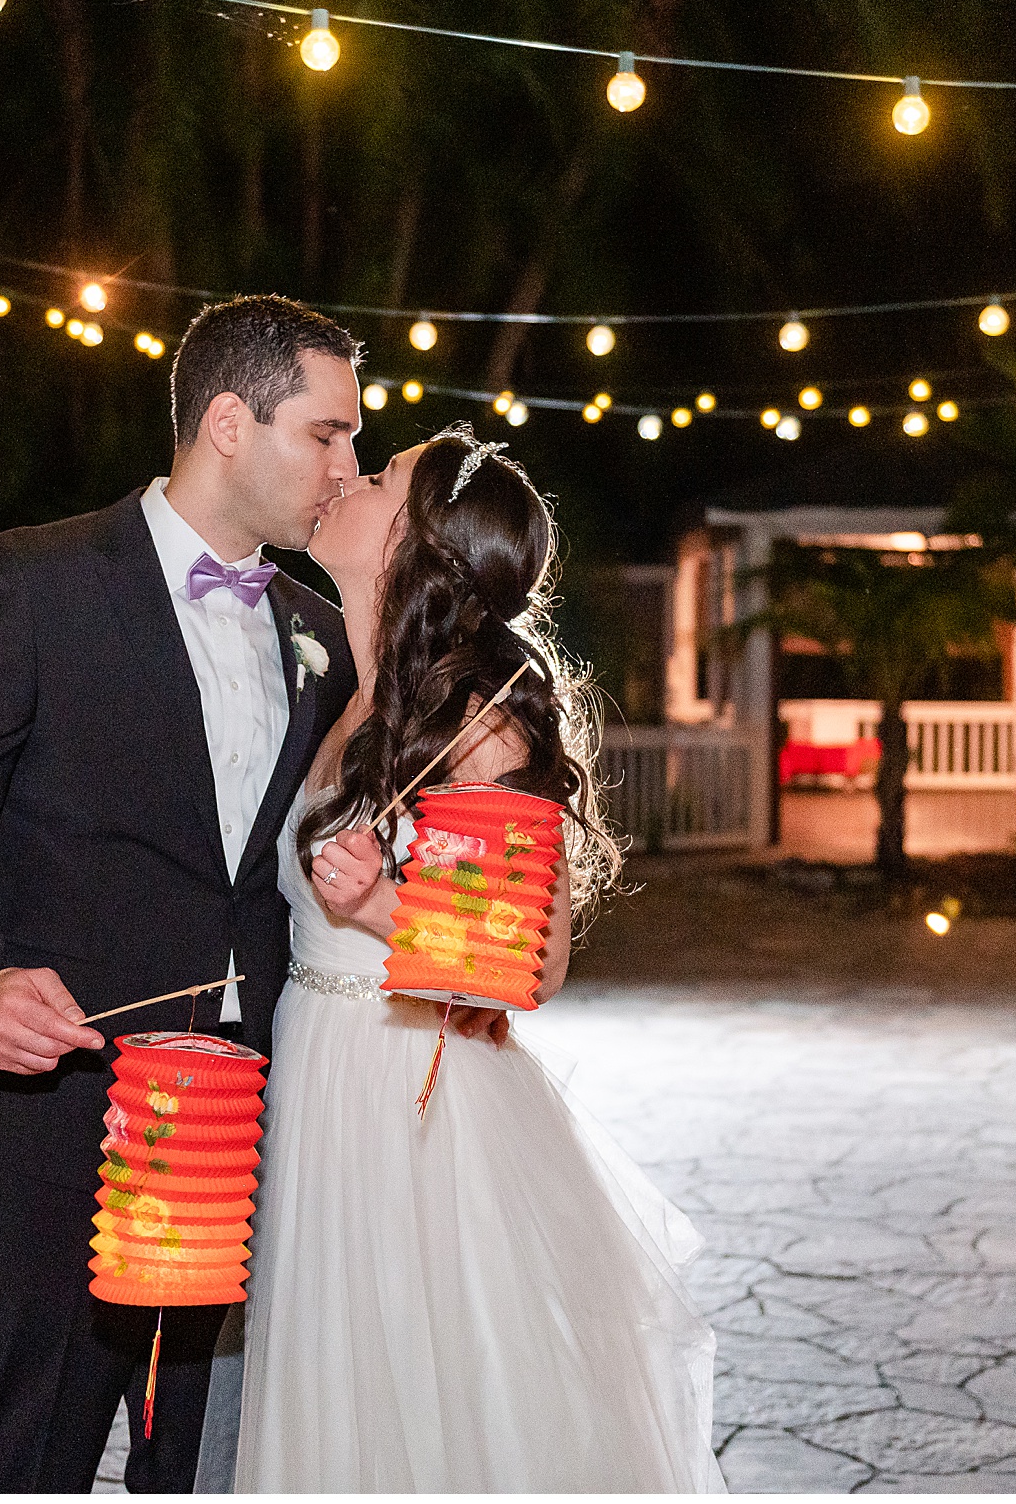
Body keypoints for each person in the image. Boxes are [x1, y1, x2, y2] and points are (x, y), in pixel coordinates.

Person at [0, 295, 362, 1493]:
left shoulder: (317, 630)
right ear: (230, 423)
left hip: (237, 1120)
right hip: (58, 1113)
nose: (346, 468)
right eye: (328, 433)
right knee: (34, 1453)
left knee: (191, 1461)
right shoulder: (30, 582)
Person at [233, 428, 725, 1492]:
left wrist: (374, 907)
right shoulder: (352, 700)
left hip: (407, 1100)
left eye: (374, 477)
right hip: (317, 1076)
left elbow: (531, 963)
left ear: (409, 540)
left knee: (421, 1404)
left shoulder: (480, 724)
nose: (343, 482)